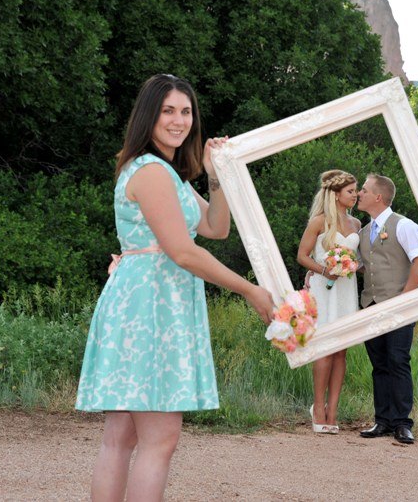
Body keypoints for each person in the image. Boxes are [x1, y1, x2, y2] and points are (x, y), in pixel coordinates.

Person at [75, 73, 274, 502]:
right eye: (168, 111)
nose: (179, 120)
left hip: (150, 305)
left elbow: (216, 227)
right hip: (149, 309)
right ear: (149, 115)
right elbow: (183, 252)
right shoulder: (149, 171)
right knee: (158, 438)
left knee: (123, 437)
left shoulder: (169, 174)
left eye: (186, 111)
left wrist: (215, 174)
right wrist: (249, 289)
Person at [355, 173, 418, 444]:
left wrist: (405, 299)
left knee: (398, 362)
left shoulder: (404, 226)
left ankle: (402, 423)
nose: (359, 194)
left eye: (363, 190)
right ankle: (382, 421)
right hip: (370, 305)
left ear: (378, 197)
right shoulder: (363, 232)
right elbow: (367, 265)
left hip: (399, 306)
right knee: (379, 365)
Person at [296, 170, 361, 434]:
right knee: (324, 348)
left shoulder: (356, 224)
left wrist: (352, 266)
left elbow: (360, 259)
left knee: (341, 350)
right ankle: (318, 407)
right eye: (351, 191)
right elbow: (302, 255)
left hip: (346, 289)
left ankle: (334, 410)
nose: (355, 196)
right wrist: (323, 270)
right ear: (336, 194)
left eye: (356, 191)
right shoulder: (319, 222)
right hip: (324, 288)